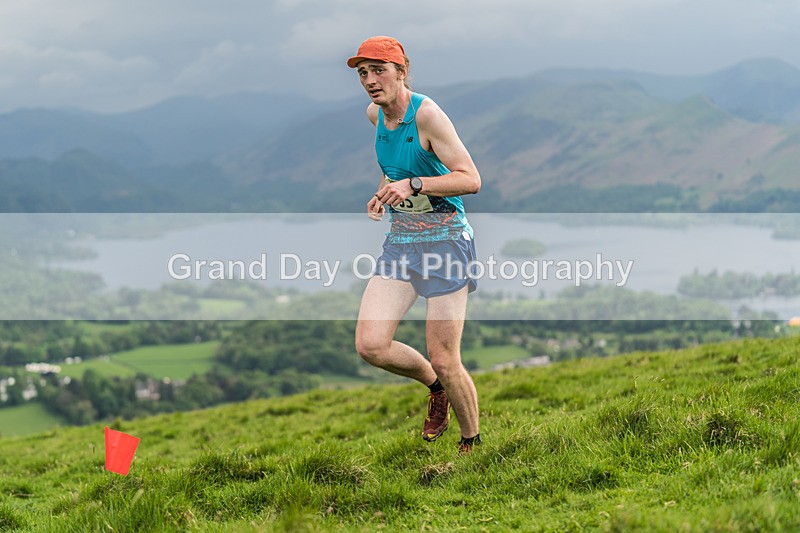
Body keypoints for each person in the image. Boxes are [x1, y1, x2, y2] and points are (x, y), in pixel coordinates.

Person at [348, 36, 483, 454]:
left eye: (379, 70)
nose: (371, 80)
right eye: (363, 73)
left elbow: (470, 179)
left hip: (446, 242)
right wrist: (384, 191)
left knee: (445, 355)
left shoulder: (427, 115)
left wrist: (415, 183)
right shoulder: (375, 115)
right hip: (403, 243)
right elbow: (393, 171)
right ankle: (436, 388)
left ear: (402, 71)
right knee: (371, 345)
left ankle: (471, 442)